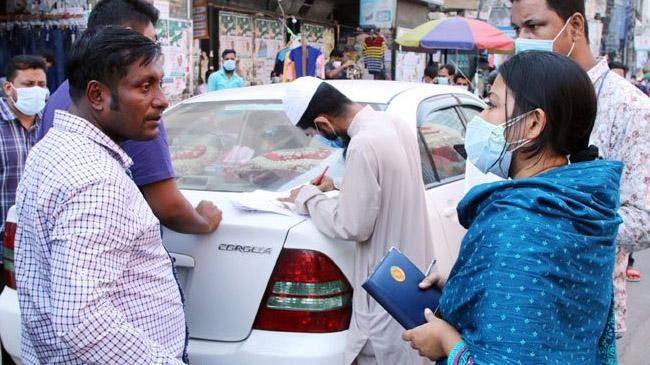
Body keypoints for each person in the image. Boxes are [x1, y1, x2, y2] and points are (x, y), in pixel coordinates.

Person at [403, 50, 621, 364]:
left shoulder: (517, 223)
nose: (480, 117)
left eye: (491, 104)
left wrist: (444, 340)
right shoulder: (581, 204)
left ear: (533, 124)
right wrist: (464, 287)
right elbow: (543, 309)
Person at [15, 26, 187, 365]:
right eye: (144, 85)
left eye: (160, 82)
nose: (163, 100)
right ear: (97, 96)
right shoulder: (96, 181)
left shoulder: (53, 147)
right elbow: (82, 321)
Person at [510, 0, 650, 339]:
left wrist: (558, 223)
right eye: (517, 30)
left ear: (574, 27)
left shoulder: (630, 109)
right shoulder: (522, 97)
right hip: (517, 297)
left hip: (584, 316)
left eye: (534, 27)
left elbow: (644, 219)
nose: (522, 39)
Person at [280, 77, 434, 365]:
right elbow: (386, 180)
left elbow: (352, 225)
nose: (320, 139)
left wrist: (308, 197)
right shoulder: (393, 124)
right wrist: (338, 184)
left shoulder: (363, 144)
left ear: (323, 123)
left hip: (385, 292)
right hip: (411, 278)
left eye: (313, 133)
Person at [38, 0, 222, 235]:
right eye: (146, 85)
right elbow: (167, 205)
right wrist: (203, 222)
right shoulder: (128, 116)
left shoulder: (62, 94)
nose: (162, 101)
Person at [0, 55, 48, 293]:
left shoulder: (50, 125)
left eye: (41, 85)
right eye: (28, 85)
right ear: (8, 87)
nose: (37, 91)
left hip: (38, 251)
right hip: (3, 249)